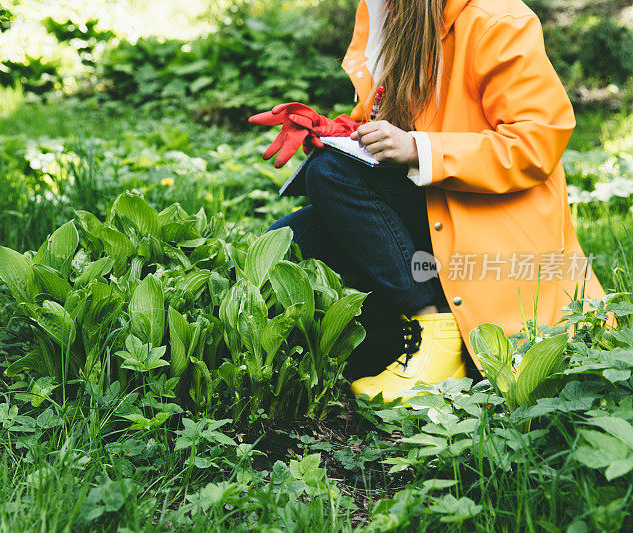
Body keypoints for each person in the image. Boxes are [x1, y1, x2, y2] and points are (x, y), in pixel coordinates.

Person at [249, 0, 606, 402]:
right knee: (288, 240)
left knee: (330, 172)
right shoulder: (391, 14)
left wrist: (419, 149)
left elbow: (536, 143)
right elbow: (397, 125)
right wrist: (339, 131)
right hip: (438, 206)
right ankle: (393, 338)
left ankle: (435, 335)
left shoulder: (497, 20)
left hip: (490, 220)